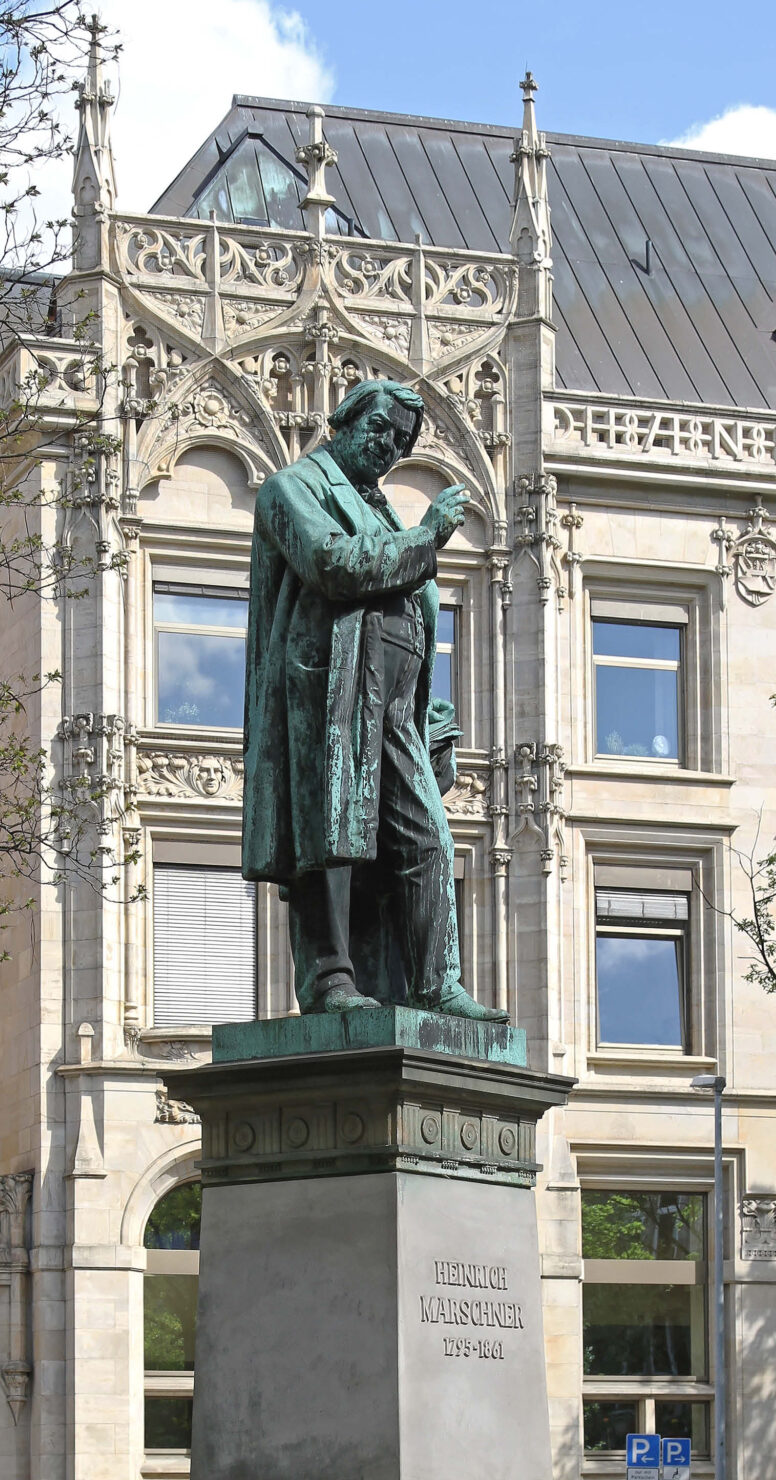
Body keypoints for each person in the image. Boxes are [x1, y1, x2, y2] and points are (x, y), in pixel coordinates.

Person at [242, 378, 506, 1019]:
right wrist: (428, 537)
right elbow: (333, 565)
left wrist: (422, 699)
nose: (390, 448)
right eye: (381, 431)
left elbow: (407, 605)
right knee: (331, 833)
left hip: (390, 706)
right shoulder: (295, 487)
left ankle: (436, 985)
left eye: (402, 441)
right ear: (345, 420)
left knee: (429, 836)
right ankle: (328, 981)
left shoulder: (379, 506)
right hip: (328, 694)